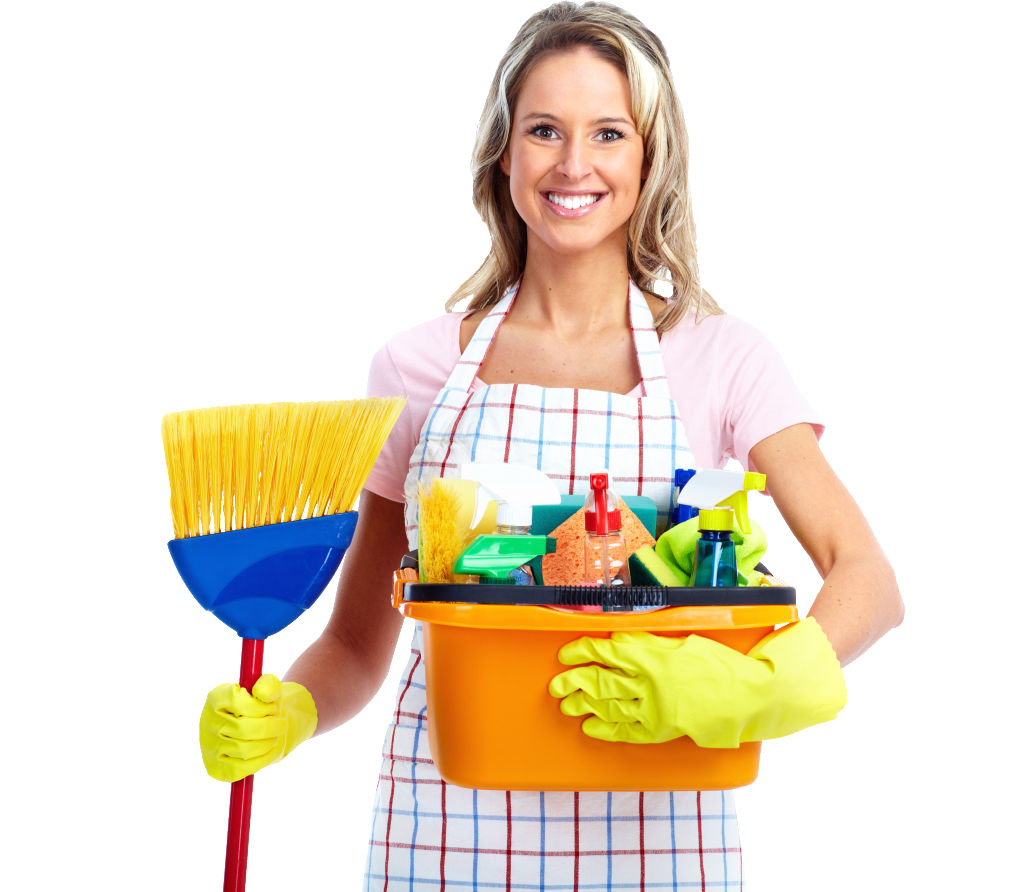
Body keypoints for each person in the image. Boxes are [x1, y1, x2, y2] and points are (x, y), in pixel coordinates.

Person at [200, 2, 903, 888]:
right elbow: (357, 647)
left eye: (608, 132)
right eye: (544, 130)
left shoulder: (722, 357)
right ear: (503, 152)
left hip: (661, 839)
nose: (574, 165)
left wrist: (758, 684)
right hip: (447, 835)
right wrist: (292, 712)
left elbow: (869, 583)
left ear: (651, 157)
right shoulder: (414, 366)